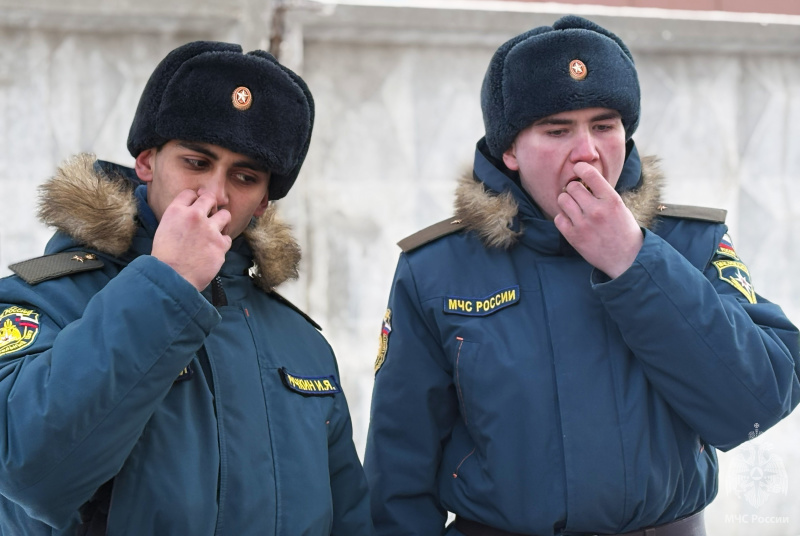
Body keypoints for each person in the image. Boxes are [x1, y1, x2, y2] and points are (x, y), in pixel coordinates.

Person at [364, 15, 800, 536]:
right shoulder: (436, 268)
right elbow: (397, 476)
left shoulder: (690, 242)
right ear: (509, 150)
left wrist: (635, 261)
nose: (588, 151)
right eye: (557, 130)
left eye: (604, 125)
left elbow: (755, 402)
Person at [0, 41, 372, 535]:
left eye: (244, 177)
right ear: (148, 162)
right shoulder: (46, 299)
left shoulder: (302, 344)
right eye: (197, 162)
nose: (215, 194)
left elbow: (349, 520)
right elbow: (30, 472)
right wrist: (167, 281)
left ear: (262, 203)